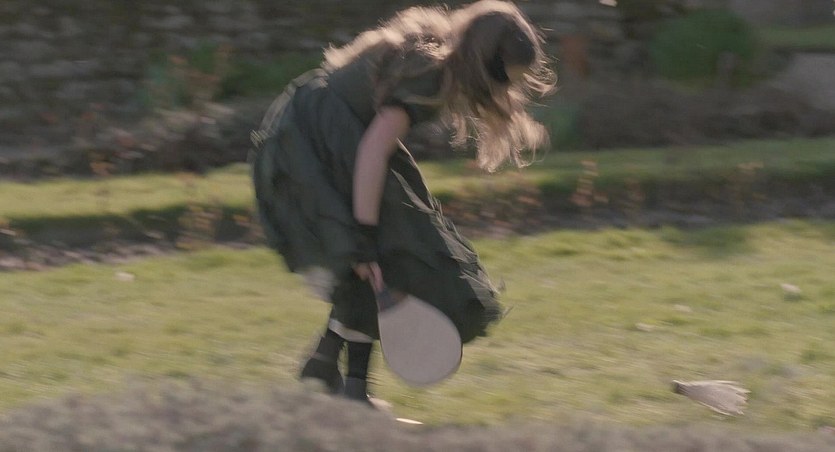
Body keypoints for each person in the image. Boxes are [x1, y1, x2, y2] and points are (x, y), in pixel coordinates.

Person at [250, 0, 555, 406]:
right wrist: (363, 234)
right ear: (486, 65)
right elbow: (373, 150)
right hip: (318, 149)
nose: (505, 91)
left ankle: (328, 368)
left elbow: (372, 141)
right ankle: (349, 386)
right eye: (505, 79)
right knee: (385, 256)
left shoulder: (433, 48)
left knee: (380, 260)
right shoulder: (430, 72)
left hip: (324, 137)